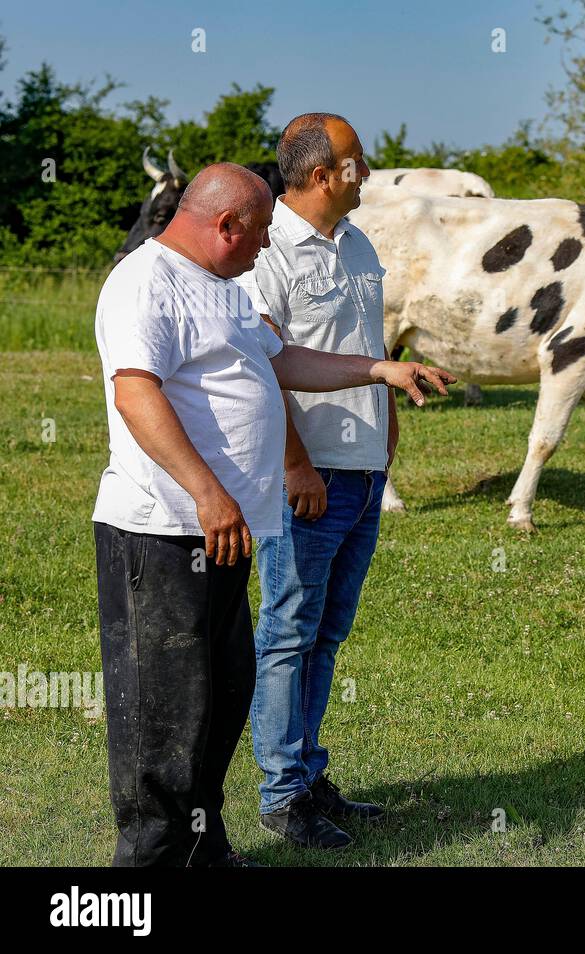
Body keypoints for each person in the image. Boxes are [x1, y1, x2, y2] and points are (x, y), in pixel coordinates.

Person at [92, 162, 453, 866]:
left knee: (222, 694)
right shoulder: (145, 282)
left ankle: (204, 847)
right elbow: (136, 394)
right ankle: (148, 865)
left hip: (222, 532)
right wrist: (207, 490)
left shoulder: (222, 288)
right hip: (162, 529)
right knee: (166, 708)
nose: (265, 249)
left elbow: (283, 359)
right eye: (258, 235)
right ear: (224, 224)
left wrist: (381, 370)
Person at [234, 112, 398, 849]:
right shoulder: (268, 251)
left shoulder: (359, 243)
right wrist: (296, 463)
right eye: (357, 162)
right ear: (323, 175)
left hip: (364, 471)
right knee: (288, 633)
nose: (367, 171)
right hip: (308, 476)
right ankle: (281, 796)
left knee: (326, 633)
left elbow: (370, 347)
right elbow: (261, 367)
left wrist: (389, 430)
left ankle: (305, 771)